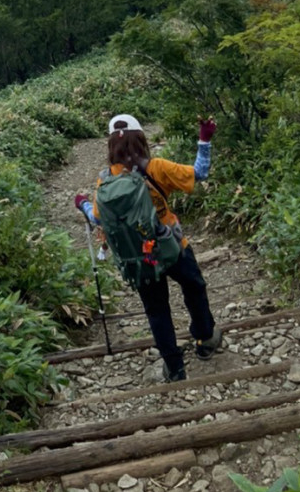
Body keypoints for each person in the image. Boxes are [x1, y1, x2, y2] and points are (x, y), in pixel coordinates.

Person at [75, 113, 222, 382]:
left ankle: (175, 367)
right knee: (194, 288)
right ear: (141, 138)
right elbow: (200, 172)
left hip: (138, 257)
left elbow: (97, 217)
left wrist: (82, 202)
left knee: (156, 310)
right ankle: (205, 339)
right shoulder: (156, 168)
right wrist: (204, 139)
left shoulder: (106, 180)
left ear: (111, 145)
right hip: (173, 246)